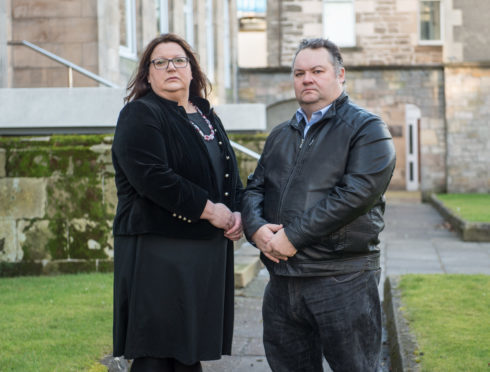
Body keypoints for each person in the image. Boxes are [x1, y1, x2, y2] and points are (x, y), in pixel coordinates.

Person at [241, 38, 396, 372]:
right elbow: (254, 188)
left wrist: (292, 237)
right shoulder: (281, 134)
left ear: (340, 75)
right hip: (282, 283)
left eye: (317, 71)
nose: (306, 79)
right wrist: (255, 229)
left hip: (342, 280)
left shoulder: (368, 130)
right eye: (299, 73)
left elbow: (355, 195)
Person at [111, 33, 243, 372]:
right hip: (158, 249)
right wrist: (213, 211)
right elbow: (153, 179)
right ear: (148, 73)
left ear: (192, 70)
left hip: (201, 251)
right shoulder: (139, 115)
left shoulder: (205, 115)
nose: (171, 67)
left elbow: (227, 173)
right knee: (156, 353)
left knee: (188, 351)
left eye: (179, 60)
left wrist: (237, 212)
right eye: (160, 61)